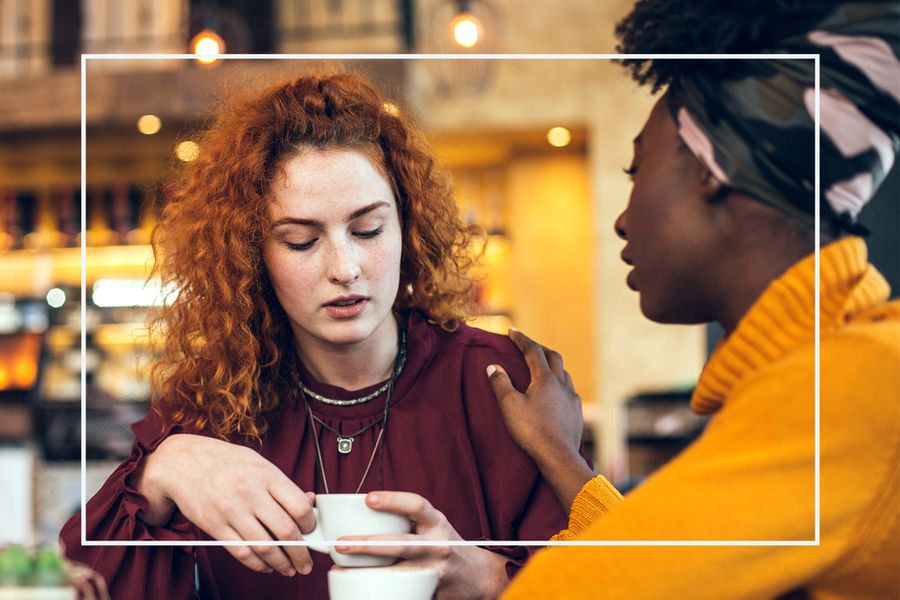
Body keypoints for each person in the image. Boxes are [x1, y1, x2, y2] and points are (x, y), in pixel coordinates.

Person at [342, 1, 900, 598]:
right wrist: (560, 455)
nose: (623, 221)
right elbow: (665, 564)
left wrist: (493, 579)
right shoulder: (837, 367)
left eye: (638, 172)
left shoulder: (849, 389)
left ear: (711, 171)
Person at [59, 72, 569, 599]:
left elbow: (616, 572)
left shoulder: (494, 381)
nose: (345, 267)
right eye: (301, 242)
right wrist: (162, 473)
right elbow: (79, 585)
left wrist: (494, 580)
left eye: (368, 230)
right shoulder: (216, 402)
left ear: (406, 225)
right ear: (253, 256)